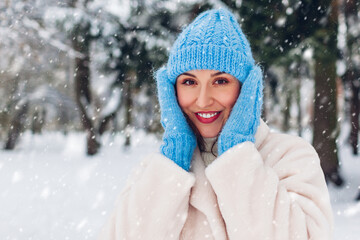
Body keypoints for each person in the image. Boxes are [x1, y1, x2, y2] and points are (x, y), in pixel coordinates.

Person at [98, 8, 333, 240]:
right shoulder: (154, 170)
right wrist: (175, 156)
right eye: (189, 82)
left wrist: (236, 153)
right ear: (171, 91)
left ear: (245, 88)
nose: (203, 100)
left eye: (220, 81)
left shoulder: (290, 157)